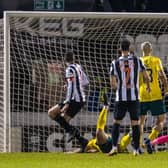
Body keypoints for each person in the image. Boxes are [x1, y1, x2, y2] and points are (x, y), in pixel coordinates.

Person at [108, 39, 150, 156]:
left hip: (121, 98)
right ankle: (136, 150)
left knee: (116, 122)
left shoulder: (114, 63)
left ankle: (114, 148)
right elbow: (146, 77)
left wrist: (118, 87)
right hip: (134, 97)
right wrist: (147, 87)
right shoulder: (138, 60)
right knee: (135, 123)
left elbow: (113, 84)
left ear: (120, 49)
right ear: (130, 48)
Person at [48, 51, 89, 152]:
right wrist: (72, 85)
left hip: (74, 100)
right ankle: (83, 142)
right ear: (74, 59)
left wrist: (67, 102)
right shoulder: (78, 67)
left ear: (64, 60)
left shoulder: (69, 69)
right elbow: (85, 81)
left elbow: (71, 87)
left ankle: (73, 132)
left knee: (51, 113)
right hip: (80, 99)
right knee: (64, 122)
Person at [138, 41, 168, 154]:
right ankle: (149, 140)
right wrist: (166, 88)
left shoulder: (138, 61)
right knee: (161, 120)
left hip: (142, 94)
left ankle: (138, 145)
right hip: (155, 94)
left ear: (142, 50)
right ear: (151, 50)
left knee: (140, 122)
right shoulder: (156, 60)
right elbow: (162, 76)